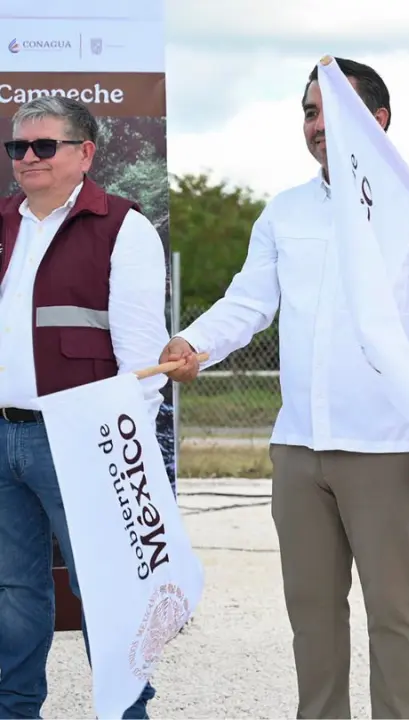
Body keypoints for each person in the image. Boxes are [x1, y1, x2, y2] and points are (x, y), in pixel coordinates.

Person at [160, 57, 409, 718]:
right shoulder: (285, 211)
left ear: (378, 120)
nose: (317, 125)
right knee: (312, 617)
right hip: (299, 449)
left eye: (332, 110)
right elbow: (248, 302)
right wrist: (194, 342)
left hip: (388, 447)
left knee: (394, 615)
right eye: (309, 112)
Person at [0, 96, 168, 718]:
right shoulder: (3, 223)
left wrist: (124, 451)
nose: (28, 158)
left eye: (44, 146)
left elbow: (142, 359)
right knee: (13, 590)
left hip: (85, 441)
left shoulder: (123, 227)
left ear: (85, 153)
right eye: (18, 147)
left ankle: (127, 711)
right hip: (3, 435)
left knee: (107, 589)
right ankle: (14, 709)